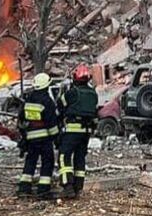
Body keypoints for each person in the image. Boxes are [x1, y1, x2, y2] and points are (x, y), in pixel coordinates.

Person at [56, 64, 98, 199]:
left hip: (72, 131)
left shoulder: (73, 93)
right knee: (80, 158)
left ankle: (67, 186)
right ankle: (78, 188)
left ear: (75, 78)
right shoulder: (93, 93)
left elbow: (60, 104)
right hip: (86, 132)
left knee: (64, 156)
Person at [16, 72, 58, 198]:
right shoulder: (47, 101)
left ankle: (24, 188)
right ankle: (43, 190)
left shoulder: (28, 100)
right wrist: (56, 138)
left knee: (30, 161)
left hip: (30, 138)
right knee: (47, 162)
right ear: (47, 86)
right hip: (44, 138)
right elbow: (51, 123)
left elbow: (21, 118)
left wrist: (24, 136)